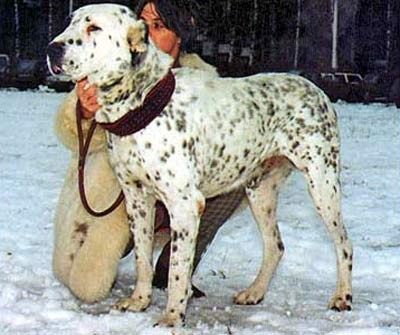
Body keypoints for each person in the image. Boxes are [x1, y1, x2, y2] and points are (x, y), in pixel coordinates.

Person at [52, 0, 245, 303]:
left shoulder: (203, 80)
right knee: (88, 288)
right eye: (142, 23)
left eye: (159, 26)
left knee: (237, 173)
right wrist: (87, 113)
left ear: (180, 35)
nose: (145, 33)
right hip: (113, 198)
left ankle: (174, 264)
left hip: (176, 196)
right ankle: (89, 245)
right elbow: (69, 135)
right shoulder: (109, 65)